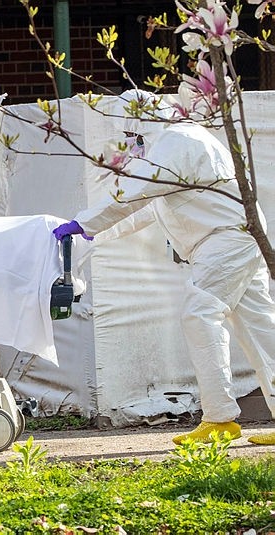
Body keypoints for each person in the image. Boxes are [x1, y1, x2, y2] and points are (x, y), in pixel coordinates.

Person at [53, 89, 275, 446]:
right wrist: (94, 235)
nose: (133, 148)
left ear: (144, 126)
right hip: (235, 238)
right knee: (260, 328)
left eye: (133, 138)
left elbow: (135, 194)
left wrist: (84, 223)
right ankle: (223, 417)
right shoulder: (178, 142)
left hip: (225, 241)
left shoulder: (177, 140)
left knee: (199, 314)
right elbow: (146, 210)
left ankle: (220, 418)